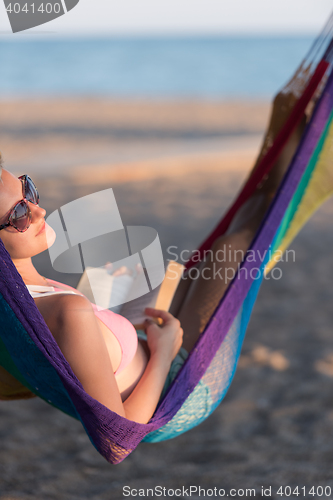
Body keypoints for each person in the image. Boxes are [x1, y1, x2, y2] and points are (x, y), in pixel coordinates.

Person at [0, 113, 304, 424]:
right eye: (20, 214)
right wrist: (163, 353)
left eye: (28, 191)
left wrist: (105, 305)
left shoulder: (16, 296)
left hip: (148, 340)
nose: (40, 211)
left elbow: (72, 347)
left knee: (214, 252)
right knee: (235, 246)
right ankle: (303, 139)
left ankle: (296, 140)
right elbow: (118, 441)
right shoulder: (65, 311)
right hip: (177, 385)